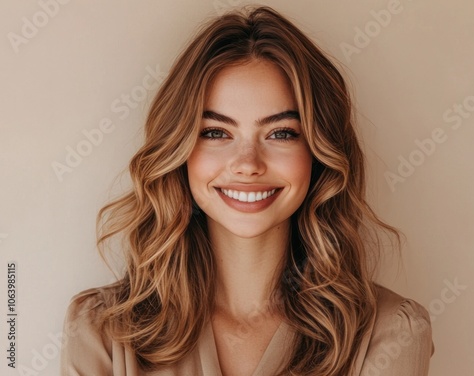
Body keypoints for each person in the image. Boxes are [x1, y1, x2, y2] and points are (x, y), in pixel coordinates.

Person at [61, 5, 434, 376]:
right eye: (216, 132)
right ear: (180, 152)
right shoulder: (102, 332)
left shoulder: (391, 332)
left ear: (319, 154)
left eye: (281, 133)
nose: (247, 163)